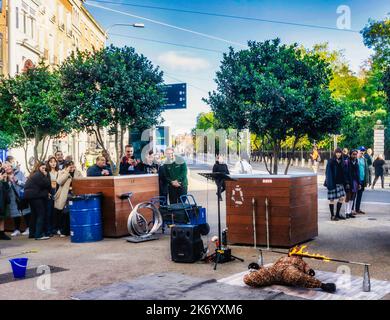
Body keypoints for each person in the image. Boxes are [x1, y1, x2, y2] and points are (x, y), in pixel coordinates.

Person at [243, 250, 336, 293]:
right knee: (248, 279)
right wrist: (259, 267)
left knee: (296, 276)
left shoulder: (301, 261)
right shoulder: (283, 258)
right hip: (275, 271)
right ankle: (261, 275)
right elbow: (273, 266)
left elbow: (307, 270)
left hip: (288, 270)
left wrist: (310, 271)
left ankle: (322, 285)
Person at [54, 161, 83, 236]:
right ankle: (63, 231)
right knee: (65, 213)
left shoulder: (77, 172)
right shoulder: (61, 172)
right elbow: (59, 182)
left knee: (73, 212)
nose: (72, 168)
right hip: (65, 195)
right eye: (70, 167)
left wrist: (76, 172)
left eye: (73, 166)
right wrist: (67, 172)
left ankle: (71, 230)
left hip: (75, 195)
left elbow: (82, 181)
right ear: (66, 167)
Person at [24, 161, 51, 240]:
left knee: (34, 215)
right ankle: (38, 234)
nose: (44, 170)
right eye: (42, 168)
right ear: (38, 167)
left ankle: (32, 233)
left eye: (45, 168)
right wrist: (46, 176)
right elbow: (47, 184)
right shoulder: (39, 175)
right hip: (36, 197)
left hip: (31, 196)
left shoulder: (34, 174)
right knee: (41, 214)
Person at [3, 162, 31, 236]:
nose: (8, 168)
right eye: (5, 167)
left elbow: (25, 184)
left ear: (12, 166)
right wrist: (7, 180)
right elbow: (5, 189)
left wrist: (17, 181)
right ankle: (17, 230)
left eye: (9, 166)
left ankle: (29, 228)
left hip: (21, 196)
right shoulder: (4, 177)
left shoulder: (19, 173)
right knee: (15, 214)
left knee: (26, 212)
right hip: (12, 198)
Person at [325, 148, 347, 221]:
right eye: (337, 153)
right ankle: (332, 216)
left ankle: (337, 214)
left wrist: (346, 182)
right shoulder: (331, 161)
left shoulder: (342, 161)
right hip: (332, 183)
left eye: (340, 153)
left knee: (342, 198)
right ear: (335, 153)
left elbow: (343, 172)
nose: (338, 154)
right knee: (332, 199)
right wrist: (329, 184)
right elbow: (328, 173)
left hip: (340, 183)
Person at [343, 150, 359, 219]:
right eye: (353, 154)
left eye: (356, 154)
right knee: (348, 197)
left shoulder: (356, 162)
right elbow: (345, 173)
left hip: (355, 182)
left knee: (352, 197)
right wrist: (347, 183)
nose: (355, 156)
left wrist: (359, 183)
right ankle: (346, 212)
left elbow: (358, 173)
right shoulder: (347, 162)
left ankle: (349, 212)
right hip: (348, 182)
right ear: (350, 155)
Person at [46, 156, 59, 237]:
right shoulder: (47, 172)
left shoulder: (59, 172)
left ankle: (55, 229)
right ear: (48, 163)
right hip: (50, 193)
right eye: (51, 162)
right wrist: (47, 192)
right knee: (49, 212)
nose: (53, 163)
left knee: (56, 212)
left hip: (57, 192)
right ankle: (48, 230)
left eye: (54, 161)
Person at [354, 147, 369, 214]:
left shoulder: (364, 159)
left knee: (359, 196)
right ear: (358, 151)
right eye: (361, 151)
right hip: (356, 180)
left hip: (362, 180)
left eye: (363, 151)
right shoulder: (355, 159)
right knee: (354, 195)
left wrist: (367, 180)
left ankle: (357, 209)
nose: (362, 152)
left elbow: (366, 170)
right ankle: (351, 210)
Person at [0, 166, 11, 240]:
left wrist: (4, 180)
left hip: (3, 202)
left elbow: (7, 189)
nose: (4, 174)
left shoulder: (4, 181)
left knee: (2, 218)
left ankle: (1, 233)